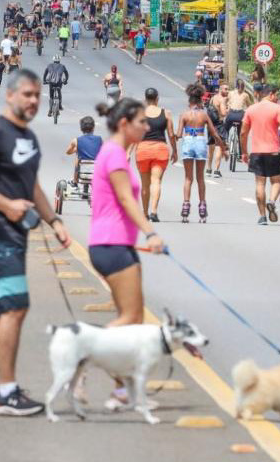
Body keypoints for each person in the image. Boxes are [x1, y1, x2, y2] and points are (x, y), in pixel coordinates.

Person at [0, 69, 70, 417]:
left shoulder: (29, 138)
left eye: (37, 95)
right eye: (27, 94)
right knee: (13, 308)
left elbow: (31, 185)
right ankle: (7, 392)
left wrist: (54, 220)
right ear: (10, 95)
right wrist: (7, 206)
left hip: (13, 239)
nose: (34, 101)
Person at [87, 97, 167, 409]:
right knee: (131, 318)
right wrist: (151, 232)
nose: (147, 128)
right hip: (112, 243)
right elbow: (126, 198)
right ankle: (82, 359)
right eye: (141, 123)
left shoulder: (115, 152)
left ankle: (123, 390)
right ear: (124, 124)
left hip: (116, 243)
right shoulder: (115, 155)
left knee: (131, 323)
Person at [241, 84, 280, 225]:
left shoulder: (251, 109)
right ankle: (272, 201)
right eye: (277, 95)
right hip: (273, 151)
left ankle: (262, 217)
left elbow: (243, 133)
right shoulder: (277, 109)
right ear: (271, 94)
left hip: (256, 152)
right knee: (276, 181)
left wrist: (244, 152)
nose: (277, 98)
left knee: (260, 184)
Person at [176, 85, 224, 222]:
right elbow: (214, 133)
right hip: (200, 142)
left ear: (189, 101)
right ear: (199, 101)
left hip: (188, 142)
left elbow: (179, 134)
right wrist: (223, 147)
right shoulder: (204, 114)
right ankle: (202, 206)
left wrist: (175, 136)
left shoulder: (184, 115)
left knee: (188, 178)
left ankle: (186, 206)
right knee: (200, 178)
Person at [134, 88, 176, 221]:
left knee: (145, 184)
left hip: (143, 150)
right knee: (156, 181)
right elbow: (170, 134)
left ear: (145, 99)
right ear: (157, 98)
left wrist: (128, 152)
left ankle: (145, 213)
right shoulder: (166, 113)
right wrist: (175, 150)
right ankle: (154, 211)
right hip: (160, 150)